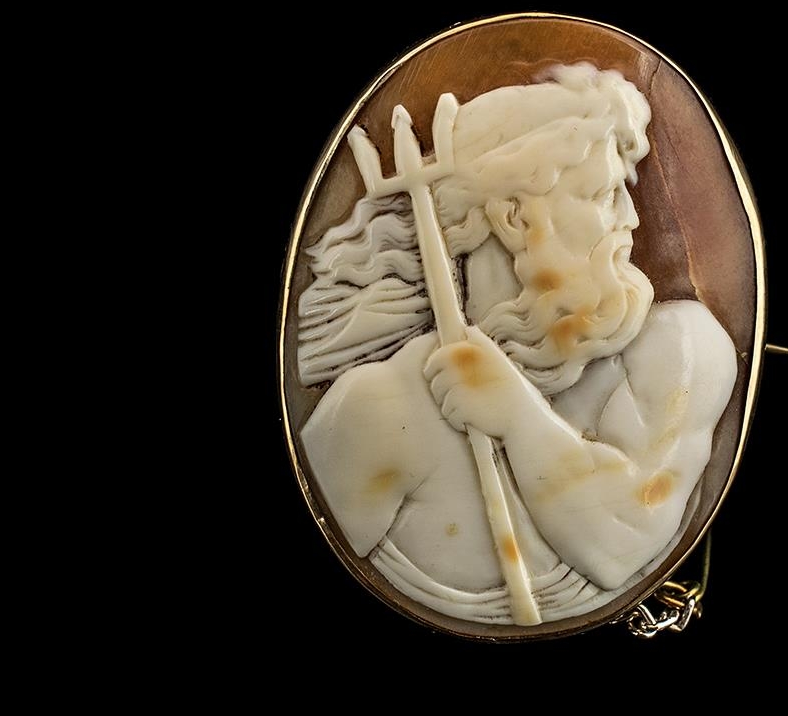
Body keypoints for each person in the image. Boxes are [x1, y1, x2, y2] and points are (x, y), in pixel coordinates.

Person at [298, 64, 738, 625]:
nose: (631, 219)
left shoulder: (681, 349)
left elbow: (624, 548)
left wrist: (518, 417)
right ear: (511, 216)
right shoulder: (380, 407)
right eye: (604, 195)